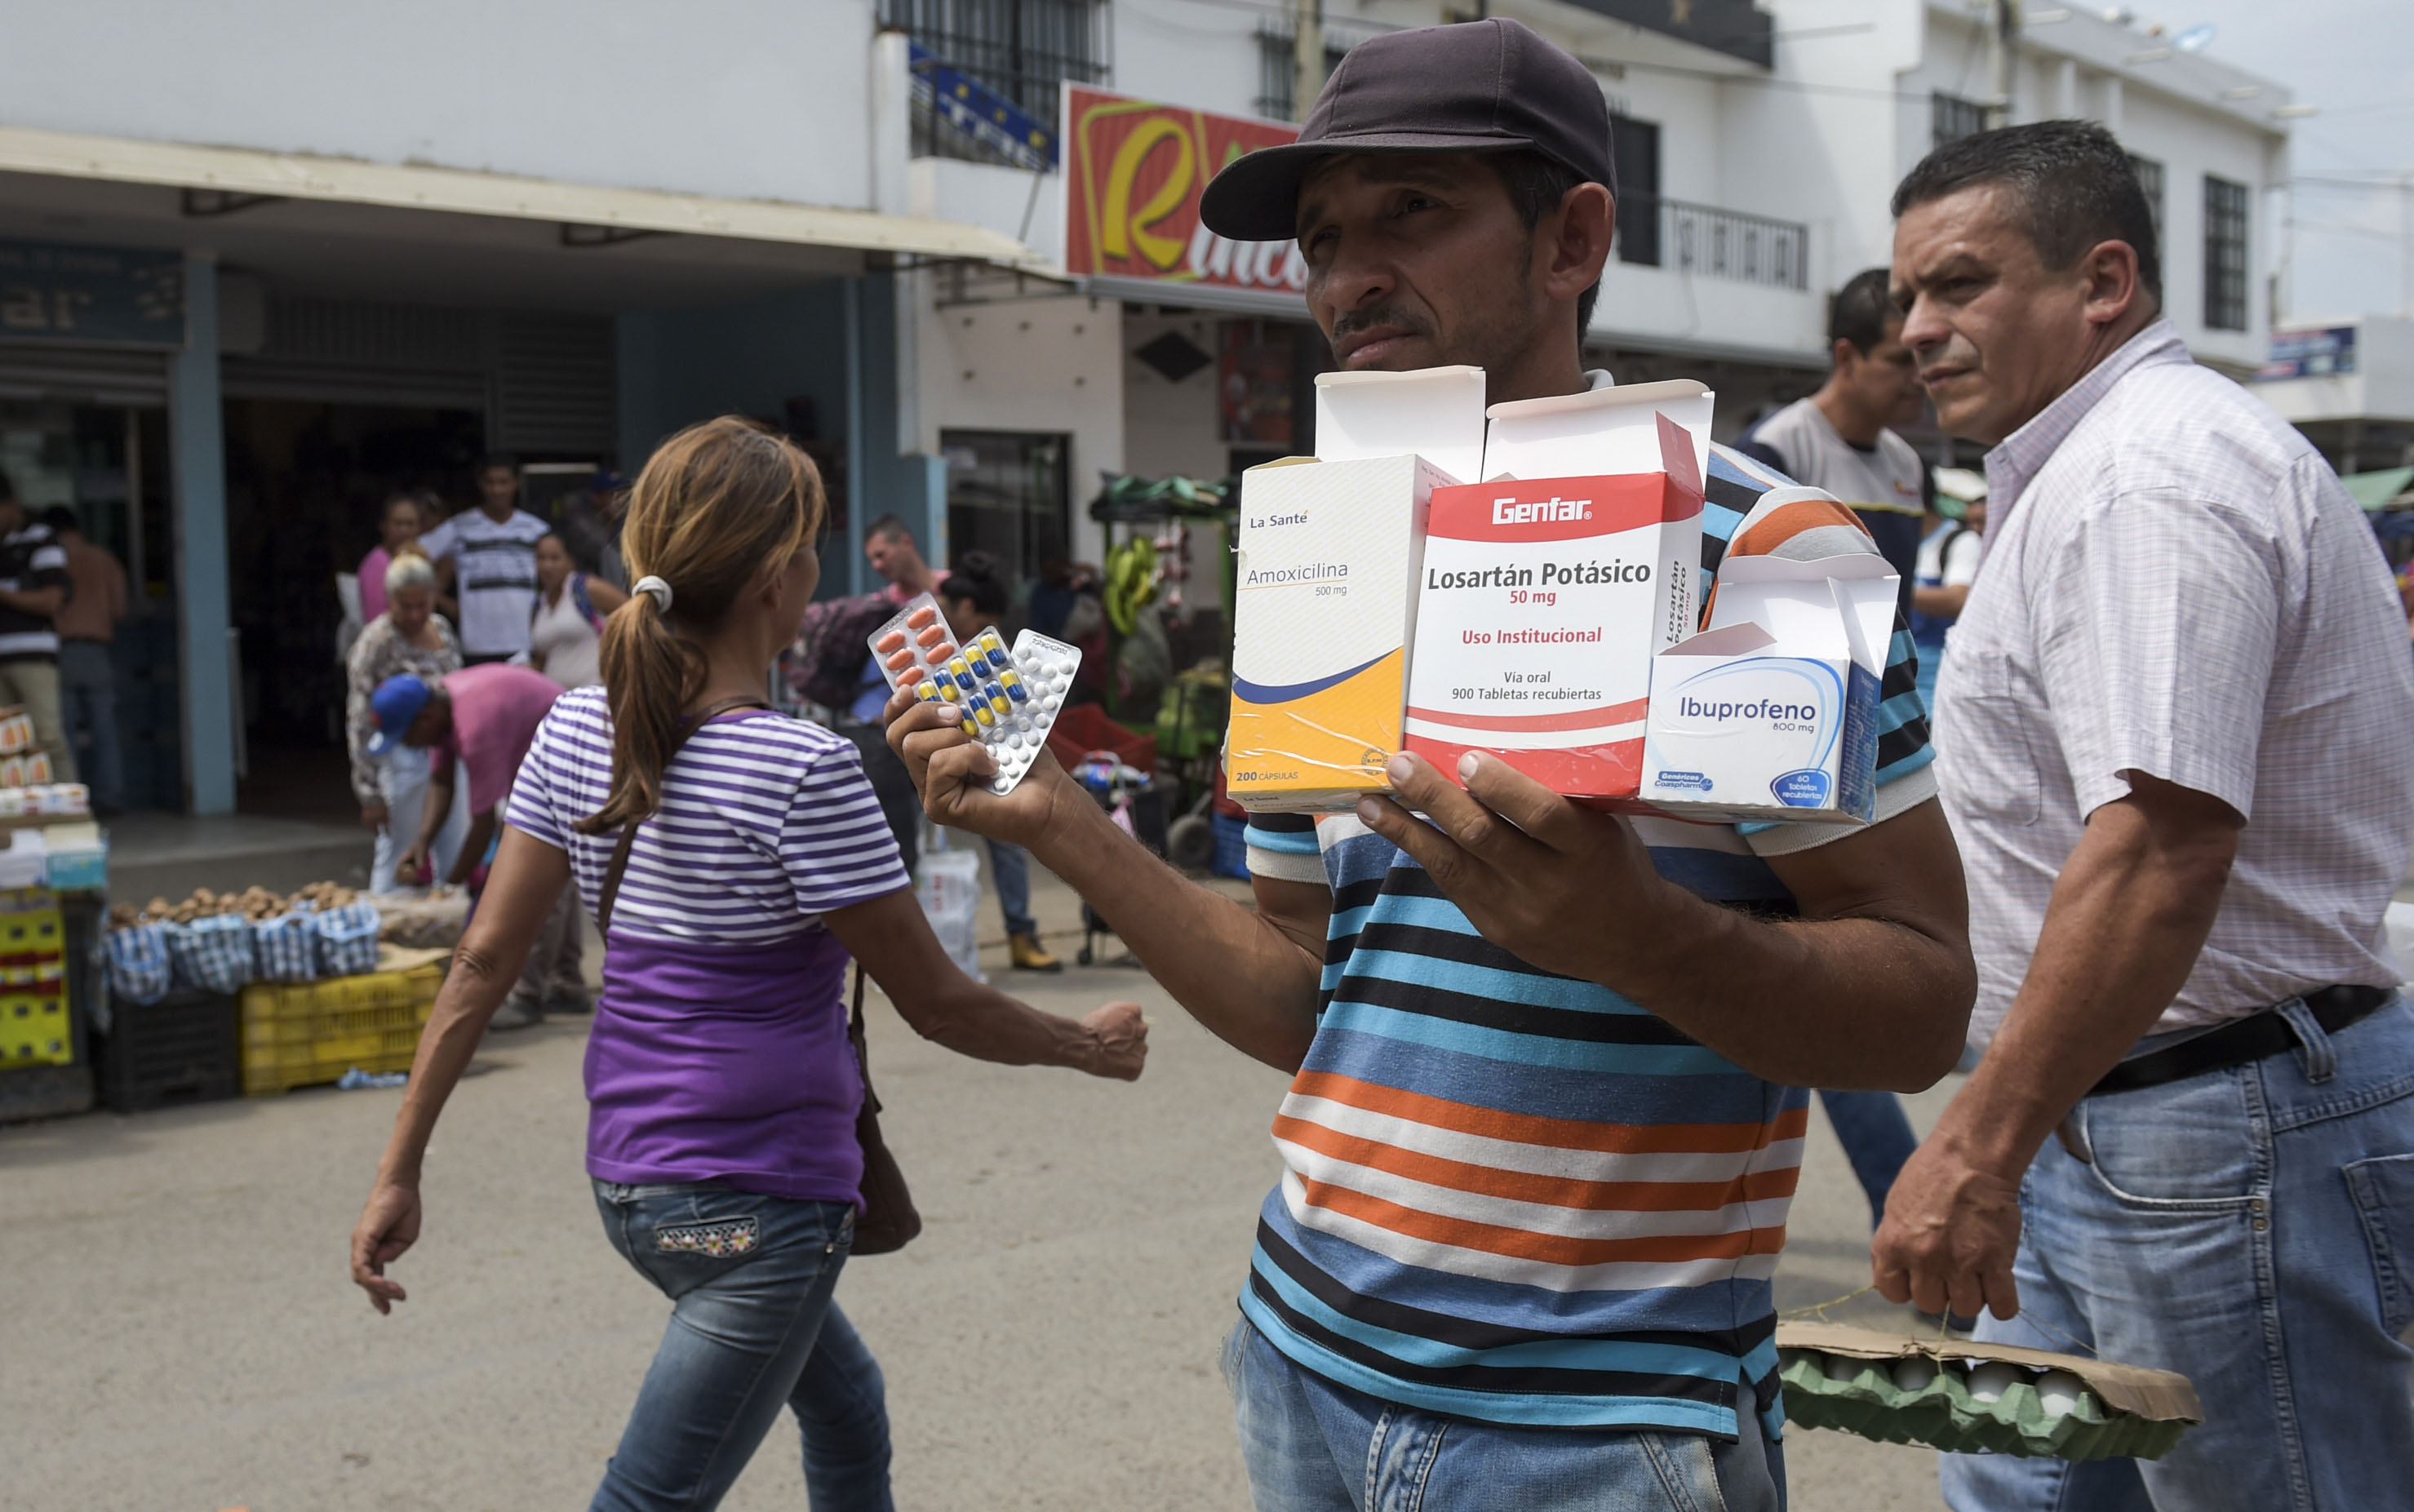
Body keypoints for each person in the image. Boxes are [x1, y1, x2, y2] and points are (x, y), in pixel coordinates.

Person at [885, 21, 1973, 1509]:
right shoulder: (1315, 556)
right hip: (1300, 1357)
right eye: (1322, 239)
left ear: (1569, 237)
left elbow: (1920, 1001)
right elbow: (1308, 997)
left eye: (1410, 212)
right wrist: (1071, 829)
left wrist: (1641, 933)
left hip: (1593, 1420)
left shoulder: (1771, 552)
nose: (1344, 277)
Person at [348, 416, 1148, 1511]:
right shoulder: (804, 769)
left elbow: (483, 961)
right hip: (756, 1210)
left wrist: (401, 1168)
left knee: (847, 1411)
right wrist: (1083, 1045)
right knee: (648, 1497)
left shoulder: (578, 728)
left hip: (630, 1183)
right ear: (782, 578)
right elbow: (940, 1005)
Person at [1871, 120, 2414, 1512]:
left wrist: (1974, 1143)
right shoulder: (2086, 468)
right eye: (1906, 298)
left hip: (2202, 1130)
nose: (1916, 331)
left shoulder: (2142, 479)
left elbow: (2162, 841)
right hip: (2099, 1113)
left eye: (1957, 285)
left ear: (2100, 281)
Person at [371, 663, 566, 1029]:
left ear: (426, 718)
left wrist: (451, 884)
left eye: (407, 736)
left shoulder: (475, 727)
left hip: (569, 755)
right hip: (537, 755)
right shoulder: (444, 713)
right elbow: (442, 783)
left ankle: (529, 995)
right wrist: (422, 843)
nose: (409, 746)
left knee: (542, 875)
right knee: (555, 873)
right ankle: (567, 983)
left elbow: (483, 824)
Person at [1736, 266, 1933, 614]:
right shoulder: (1774, 449)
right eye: (1902, 360)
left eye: (1924, 355)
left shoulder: (1907, 461)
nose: (1920, 377)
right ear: (1846, 357)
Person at [937, 559, 1061, 973]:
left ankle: (1021, 936)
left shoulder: (993, 659)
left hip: (988, 765)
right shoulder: (931, 652)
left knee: (1007, 848)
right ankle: (937, 948)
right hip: (928, 767)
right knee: (923, 855)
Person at [348, 554, 468, 895]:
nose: (415, 615)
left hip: (446, 750)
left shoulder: (442, 628)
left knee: (453, 844)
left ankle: (448, 924)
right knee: (398, 849)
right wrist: (369, 793)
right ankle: (387, 925)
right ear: (389, 601)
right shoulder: (375, 642)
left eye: (422, 604)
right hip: (402, 755)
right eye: (406, 606)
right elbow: (359, 721)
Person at [419, 454, 550, 665]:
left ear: (516, 484)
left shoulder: (536, 531)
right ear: (481, 484)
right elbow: (414, 552)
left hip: (524, 642)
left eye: (503, 482)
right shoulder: (460, 527)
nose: (497, 490)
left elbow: (555, 581)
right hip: (476, 646)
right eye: (490, 482)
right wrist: (434, 595)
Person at [39, 506, 127, 814]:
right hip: (97, 650)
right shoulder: (104, 559)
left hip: (60, 650)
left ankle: (71, 801)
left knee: (63, 733)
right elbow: (120, 609)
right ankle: (110, 797)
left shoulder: (51, 560)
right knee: (105, 730)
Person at [0, 472, 77, 785]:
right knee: (5, 749)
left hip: (33, 656)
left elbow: (51, 600)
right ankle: (13, 821)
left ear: (11, 504)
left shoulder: (41, 537)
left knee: (47, 736)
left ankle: (69, 819)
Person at [1910, 485, 1986, 712]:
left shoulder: (1962, 542)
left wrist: (1886, 589)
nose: (1978, 530)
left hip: (1938, 693)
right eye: (1972, 521)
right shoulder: (1899, 540)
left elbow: (1957, 600)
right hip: (1903, 692)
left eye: (1983, 521)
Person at [530, 532, 628, 691]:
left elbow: (637, 614)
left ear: (570, 560)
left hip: (596, 696)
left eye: (555, 558)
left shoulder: (587, 589)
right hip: (557, 704)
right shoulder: (539, 605)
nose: (547, 566)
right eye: (541, 558)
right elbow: (541, 662)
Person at [553, 468, 630, 590]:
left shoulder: (621, 523)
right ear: (595, 497)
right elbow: (604, 551)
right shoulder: (580, 524)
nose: (620, 500)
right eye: (612, 495)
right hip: (588, 595)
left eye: (623, 494)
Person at [358, 491, 424, 626]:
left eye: (410, 523)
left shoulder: (417, 560)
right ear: (383, 526)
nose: (404, 530)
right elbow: (377, 621)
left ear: (420, 527)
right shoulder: (376, 565)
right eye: (398, 523)